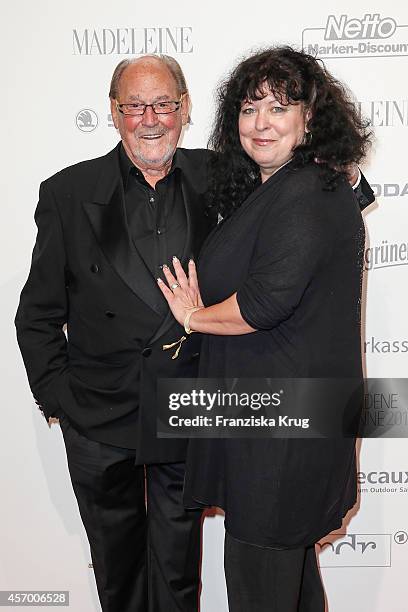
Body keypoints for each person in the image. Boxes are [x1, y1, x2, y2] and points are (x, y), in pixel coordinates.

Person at [158, 46, 374, 611]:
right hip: (277, 423)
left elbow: (263, 304)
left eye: (280, 108)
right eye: (251, 108)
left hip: (280, 436)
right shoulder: (292, 187)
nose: (261, 123)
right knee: (289, 587)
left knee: (261, 589)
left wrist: (193, 316)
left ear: (310, 119)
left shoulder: (305, 190)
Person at [15, 55, 215, 612]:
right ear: (113, 112)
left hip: (188, 406)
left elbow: (293, 206)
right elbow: (36, 315)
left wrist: (348, 178)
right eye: (134, 106)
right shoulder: (68, 192)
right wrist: (62, 401)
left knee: (180, 577)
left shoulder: (221, 178)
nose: (150, 120)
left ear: (184, 108)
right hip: (100, 417)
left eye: (163, 105)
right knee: (118, 575)